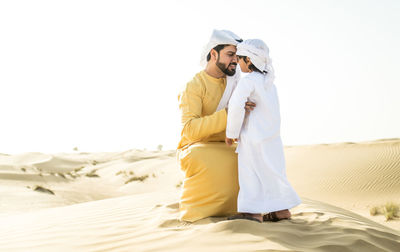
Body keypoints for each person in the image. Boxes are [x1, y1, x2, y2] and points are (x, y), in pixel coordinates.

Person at [177, 29, 256, 222]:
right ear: (214, 54)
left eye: (237, 56)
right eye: (230, 55)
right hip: (196, 146)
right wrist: (229, 114)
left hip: (229, 144)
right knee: (202, 156)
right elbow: (189, 130)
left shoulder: (237, 84)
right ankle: (196, 216)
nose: (235, 61)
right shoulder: (194, 86)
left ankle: (254, 209)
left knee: (257, 155)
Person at [225, 39, 301, 223]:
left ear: (249, 61)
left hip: (252, 137)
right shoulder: (270, 84)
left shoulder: (248, 81)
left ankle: (252, 212)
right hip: (272, 138)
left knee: (250, 173)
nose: (238, 62)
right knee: (273, 172)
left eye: (240, 59)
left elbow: (236, 107)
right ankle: (281, 210)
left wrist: (231, 133)